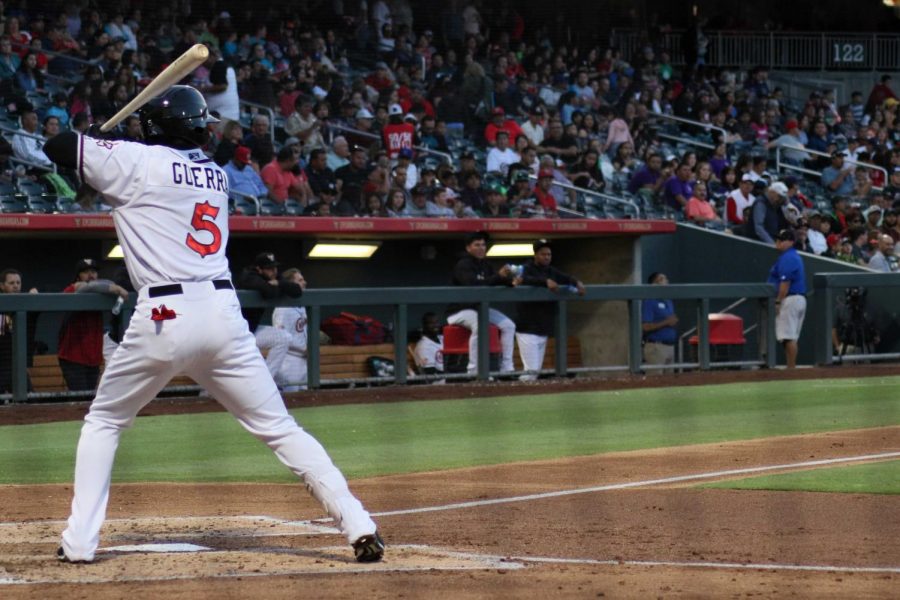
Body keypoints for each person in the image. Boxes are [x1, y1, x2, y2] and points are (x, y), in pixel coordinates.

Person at [43, 85, 383, 564]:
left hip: (163, 316)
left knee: (105, 421)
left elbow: (55, 147)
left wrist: (93, 136)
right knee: (281, 428)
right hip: (224, 317)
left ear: (155, 128)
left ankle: (79, 543)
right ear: (200, 127)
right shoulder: (216, 174)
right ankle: (358, 524)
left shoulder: (136, 161)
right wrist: (105, 143)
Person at [446, 231, 518, 375]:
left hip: (479, 308)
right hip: (459, 310)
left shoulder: (486, 264)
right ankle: (474, 370)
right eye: (477, 245)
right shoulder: (463, 264)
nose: (481, 248)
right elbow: (473, 286)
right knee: (481, 325)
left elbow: (496, 281)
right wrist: (498, 276)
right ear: (468, 248)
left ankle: (507, 369)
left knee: (509, 325)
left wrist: (510, 279)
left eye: (483, 245)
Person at [514, 240, 585, 381]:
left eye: (549, 254)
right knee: (531, 373)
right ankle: (511, 392)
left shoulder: (551, 270)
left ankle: (522, 396)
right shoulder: (526, 268)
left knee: (534, 372)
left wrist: (577, 282)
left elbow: (566, 277)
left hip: (542, 328)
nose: (546, 257)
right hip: (527, 328)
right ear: (535, 255)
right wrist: (544, 282)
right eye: (543, 254)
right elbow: (521, 279)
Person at [57, 259, 129, 391]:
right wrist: (117, 288)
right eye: (85, 272)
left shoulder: (102, 292)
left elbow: (103, 285)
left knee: (89, 398)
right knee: (80, 397)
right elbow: (88, 287)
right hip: (73, 357)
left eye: (94, 271)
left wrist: (114, 287)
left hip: (93, 358)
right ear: (79, 276)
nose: (90, 275)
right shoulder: (73, 288)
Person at [768, 229, 807, 369]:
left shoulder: (788, 257)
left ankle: (791, 369)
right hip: (795, 299)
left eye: (782, 239)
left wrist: (778, 301)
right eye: (778, 239)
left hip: (790, 299)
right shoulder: (789, 256)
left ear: (791, 242)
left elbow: (785, 283)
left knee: (788, 337)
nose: (778, 242)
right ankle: (791, 367)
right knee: (789, 337)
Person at [0, 268, 39, 394]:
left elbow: (35, 315)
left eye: (18, 283)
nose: (16, 286)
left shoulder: (25, 304)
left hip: (18, 364)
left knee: (27, 399)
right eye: (11, 283)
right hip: (2, 363)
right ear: (2, 285)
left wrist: (34, 299)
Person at [271, 268, 309, 392]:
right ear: (291, 284)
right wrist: (304, 348)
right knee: (290, 399)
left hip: (303, 359)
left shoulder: (301, 305)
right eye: (300, 280)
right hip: (289, 360)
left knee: (307, 400)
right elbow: (280, 337)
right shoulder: (282, 309)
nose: (304, 282)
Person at [641, 272, 678, 373]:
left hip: (670, 346)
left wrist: (672, 322)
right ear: (654, 284)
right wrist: (666, 322)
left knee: (670, 384)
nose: (666, 281)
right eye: (661, 279)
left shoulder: (668, 301)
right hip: (656, 347)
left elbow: (671, 321)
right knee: (655, 382)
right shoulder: (650, 301)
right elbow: (645, 327)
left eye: (666, 279)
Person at [413, 312, 445, 376]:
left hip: (450, 376)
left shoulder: (442, 338)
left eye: (436, 322)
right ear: (424, 326)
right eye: (431, 323)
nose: (435, 325)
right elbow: (430, 372)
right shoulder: (423, 346)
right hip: (438, 381)